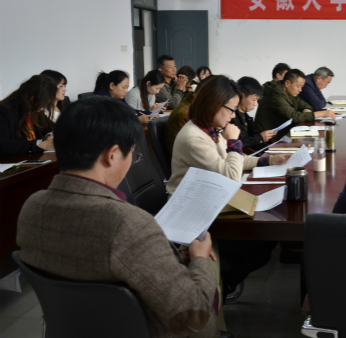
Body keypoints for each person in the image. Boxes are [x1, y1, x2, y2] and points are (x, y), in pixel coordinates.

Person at [16, 97, 223, 338]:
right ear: (113, 155)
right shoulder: (126, 223)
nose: (132, 162)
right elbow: (194, 320)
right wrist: (199, 260)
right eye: (133, 155)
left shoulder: (32, 207)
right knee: (210, 258)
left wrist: (169, 258)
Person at [167, 75, 291, 194]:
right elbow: (231, 178)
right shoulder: (194, 138)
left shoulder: (210, 128)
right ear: (214, 105)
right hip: (192, 203)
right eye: (231, 110)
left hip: (209, 194)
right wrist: (233, 141)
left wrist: (270, 160)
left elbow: (236, 159)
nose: (233, 116)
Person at [254, 69, 336, 132]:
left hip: (281, 133)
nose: (300, 90)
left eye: (301, 87)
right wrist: (322, 114)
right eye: (298, 86)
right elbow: (294, 116)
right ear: (287, 83)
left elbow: (304, 105)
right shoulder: (275, 96)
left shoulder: (289, 92)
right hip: (268, 138)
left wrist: (306, 109)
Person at [0, 75, 56, 158]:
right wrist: (40, 145)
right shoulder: (3, 112)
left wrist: (50, 136)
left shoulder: (35, 111)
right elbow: (3, 145)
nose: (41, 109)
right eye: (39, 104)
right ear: (27, 97)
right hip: (13, 161)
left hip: (33, 159)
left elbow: (54, 128)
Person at [232, 77, 276, 149]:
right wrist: (260, 138)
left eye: (257, 100)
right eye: (254, 99)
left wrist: (265, 134)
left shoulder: (245, 116)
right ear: (242, 95)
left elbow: (250, 134)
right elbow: (236, 143)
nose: (256, 104)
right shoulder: (231, 117)